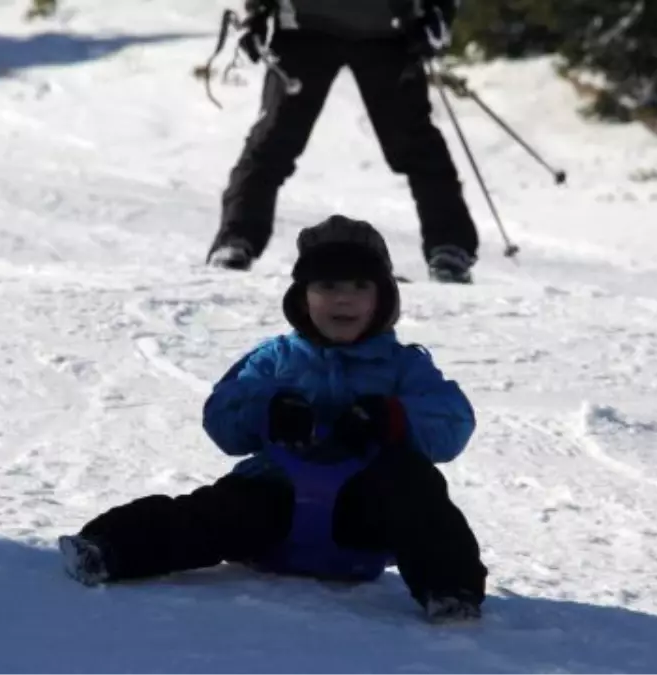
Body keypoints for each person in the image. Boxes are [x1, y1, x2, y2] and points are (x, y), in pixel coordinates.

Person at [60, 214, 487, 621]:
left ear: (384, 298)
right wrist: (269, 408)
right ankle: (108, 548)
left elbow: (452, 424)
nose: (344, 298)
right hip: (275, 501)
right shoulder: (276, 359)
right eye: (328, 284)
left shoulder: (403, 367)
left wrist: (392, 418)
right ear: (302, 296)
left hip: (362, 517)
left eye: (360, 285)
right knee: (209, 514)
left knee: (415, 486)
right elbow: (223, 418)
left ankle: (451, 590)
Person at [205, 0, 480, 284]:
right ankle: (235, 240)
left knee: (416, 145)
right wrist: (253, 14)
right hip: (305, 28)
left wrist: (438, 15)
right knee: (273, 139)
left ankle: (450, 247)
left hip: (388, 33)